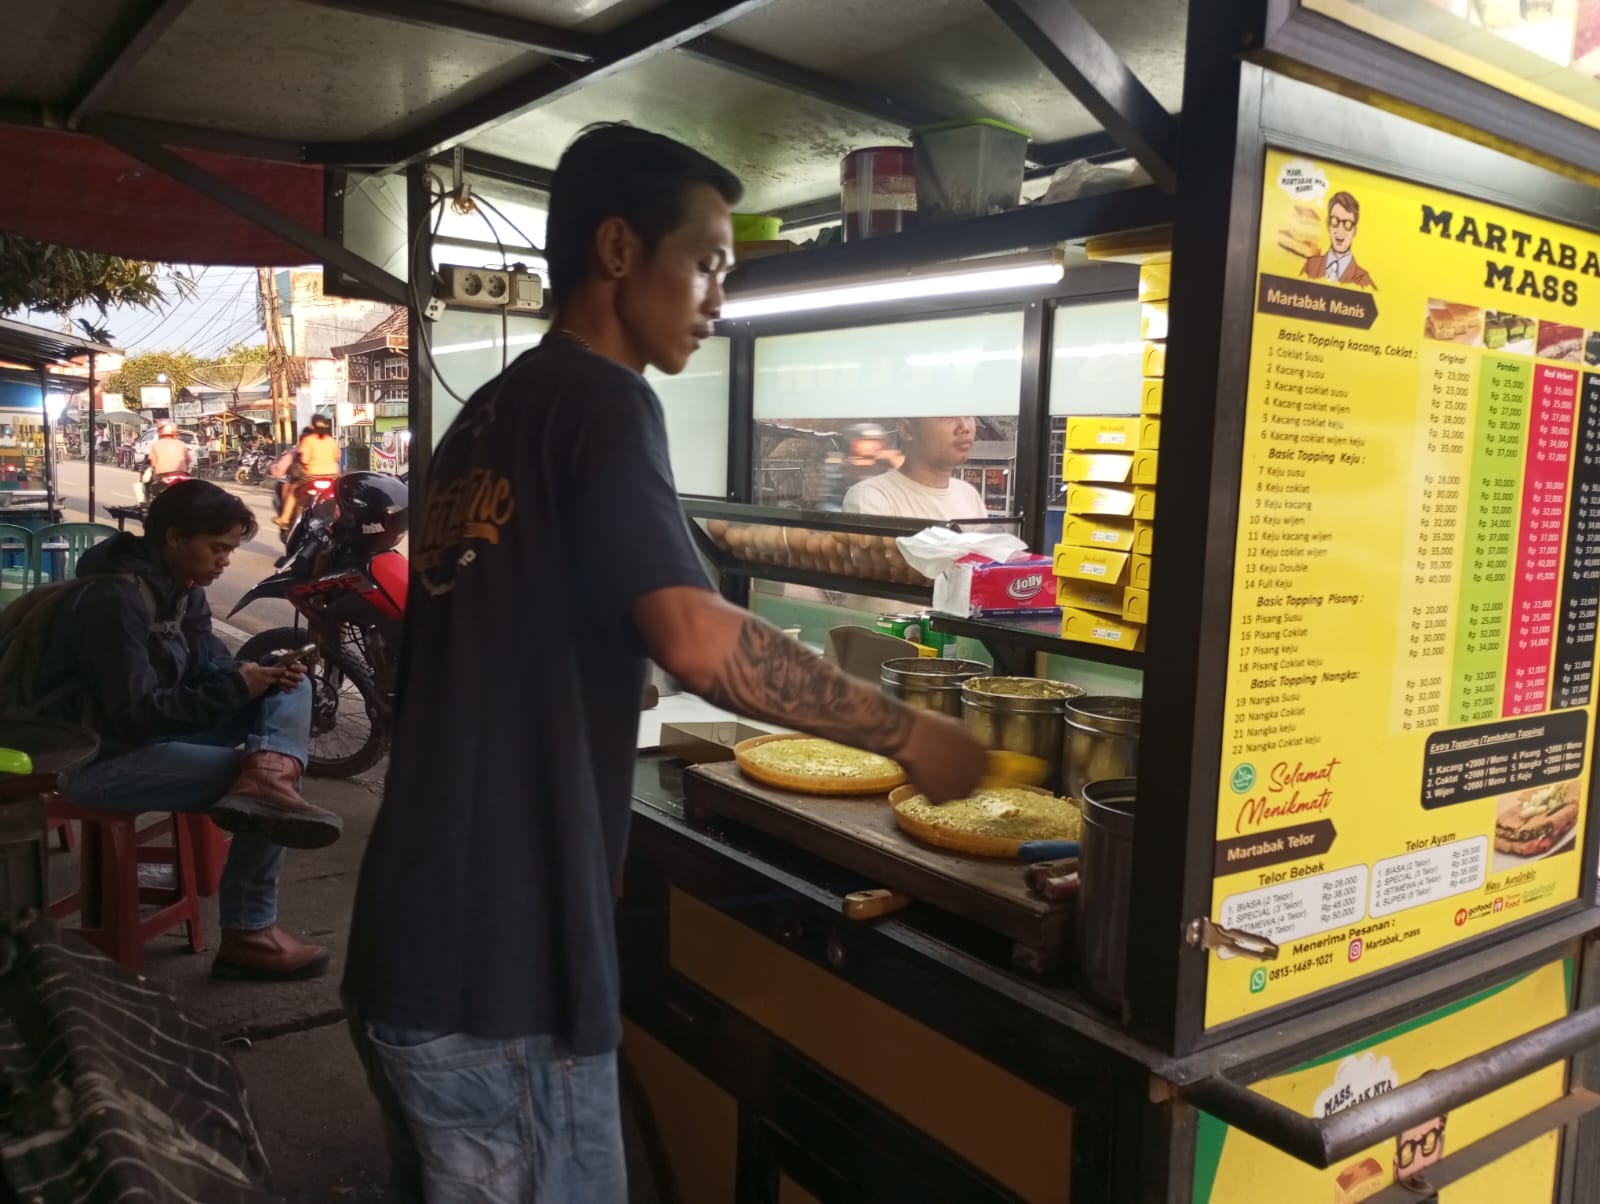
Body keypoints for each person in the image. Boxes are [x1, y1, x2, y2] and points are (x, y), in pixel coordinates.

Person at [342, 123, 988, 1203]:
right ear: (616, 250)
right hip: (502, 978)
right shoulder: (605, 401)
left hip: (411, 945)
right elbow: (695, 638)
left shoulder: (488, 416)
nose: (718, 299)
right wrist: (910, 732)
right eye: (707, 263)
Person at [9, 480, 343, 979]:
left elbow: (209, 670)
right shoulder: (111, 601)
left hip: (151, 738)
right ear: (173, 538)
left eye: (230, 549)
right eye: (218, 548)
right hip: (94, 759)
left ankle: (267, 773)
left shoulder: (184, 593)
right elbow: (134, 715)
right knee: (266, 796)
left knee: (290, 688)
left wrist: (258, 676)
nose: (225, 561)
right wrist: (236, 689)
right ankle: (249, 933)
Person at [842, 416, 987, 520]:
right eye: (946, 416)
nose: (965, 427)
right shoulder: (871, 498)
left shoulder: (969, 495)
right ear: (907, 430)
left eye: (968, 415)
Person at [276, 413, 341, 528]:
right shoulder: (331, 440)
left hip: (312, 477)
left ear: (312, 426)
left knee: (293, 490)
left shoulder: (308, 440)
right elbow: (337, 456)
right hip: (332, 477)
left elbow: (305, 459)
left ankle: (284, 519)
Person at [1300, 190, 1375, 289]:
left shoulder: (1363, 280)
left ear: (1354, 231)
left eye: (1347, 224)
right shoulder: (1311, 266)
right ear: (1328, 225)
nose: (1340, 230)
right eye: (1334, 221)